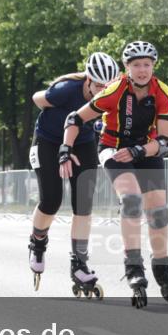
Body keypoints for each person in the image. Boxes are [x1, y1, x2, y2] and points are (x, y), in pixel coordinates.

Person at [59, 41, 168, 308]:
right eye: (136, 65)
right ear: (127, 68)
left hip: (146, 150)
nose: (142, 70)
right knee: (132, 200)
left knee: (158, 209)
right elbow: (75, 119)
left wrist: (138, 151)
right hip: (112, 149)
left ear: (153, 66)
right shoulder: (115, 90)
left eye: (147, 64)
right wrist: (65, 148)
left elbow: (166, 142)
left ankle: (162, 268)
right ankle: (134, 267)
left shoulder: (162, 92)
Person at [28, 52, 120, 296]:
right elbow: (37, 98)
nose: (103, 91)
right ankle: (37, 243)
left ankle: (79, 263)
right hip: (48, 140)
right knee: (51, 200)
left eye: (108, 87)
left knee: (83, 203)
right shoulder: (67, 90)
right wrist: (49, 98)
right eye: (98, 86)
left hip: (82, 142)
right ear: (88, 80)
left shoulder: (116, 93)